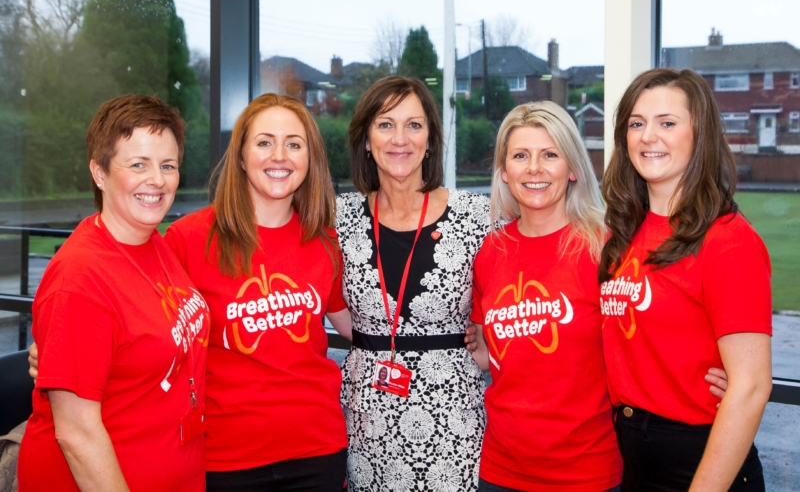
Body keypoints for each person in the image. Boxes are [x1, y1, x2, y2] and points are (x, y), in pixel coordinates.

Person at [18, 95, 210, 491]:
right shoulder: (80, 278)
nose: (157, 179)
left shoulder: (155, 243)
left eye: (167, 165)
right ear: (100, 173)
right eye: (138, 164)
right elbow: (77, 435)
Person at [163, 93, 351, 491]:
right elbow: (145, 324)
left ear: (310, 160)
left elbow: (358, 324)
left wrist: (466, 329)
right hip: (226, 457)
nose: (279, 156)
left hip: (318, 451)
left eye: (294, 144)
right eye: (265, 142)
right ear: (242, 155)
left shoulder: (325, 242)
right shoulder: (189, 239)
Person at [600, 68, 772, 491]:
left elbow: (750, 388)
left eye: (668, 123)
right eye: (636, 124)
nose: (648, 136)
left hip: (700, 460)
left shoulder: (728, 240)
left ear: (700, 135)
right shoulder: (624, 231)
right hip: (632, 454)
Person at [336, 76, 489, 491]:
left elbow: (514, 289)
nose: (399, 139)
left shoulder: (478, 216)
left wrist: (487, 340)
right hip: (367, 424)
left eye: (414, 125)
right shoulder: (338, 218)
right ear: (366, 139)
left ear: (430, 139)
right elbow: (328, 299)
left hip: (454, 423)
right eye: (385, 124)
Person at [468, 101, 623, 491]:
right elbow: (491, 352)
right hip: (501, 470)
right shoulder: (491, 251)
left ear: (571, 168)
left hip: (586, 472)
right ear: (505, 172)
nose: (534, 168)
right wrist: (482, 346)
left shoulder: (603, 248)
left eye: (549, 155)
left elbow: (644, 341)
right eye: (521, 156)